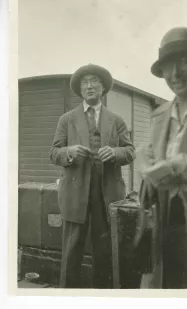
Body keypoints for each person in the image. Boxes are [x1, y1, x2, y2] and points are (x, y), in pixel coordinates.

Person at [50, 64, 135, 288]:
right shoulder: (66, 120)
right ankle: (67, 298)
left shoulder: (116, 120)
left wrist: (115, 152)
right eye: (85, 82)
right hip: (75, 194)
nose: (89, 86)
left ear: (103, 87)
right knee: (72, 251)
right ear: (79, 89)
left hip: (106, 194)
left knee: (103, 251)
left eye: (94, 81)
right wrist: (69, 152)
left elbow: (130, 151)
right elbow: (53, 153)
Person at [136, 27, 187, 289]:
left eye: (185, 61)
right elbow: (148, 153)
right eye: (168, 66)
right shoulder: (160, 115)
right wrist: (144, 163)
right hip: (166, 224)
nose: (176, 73)